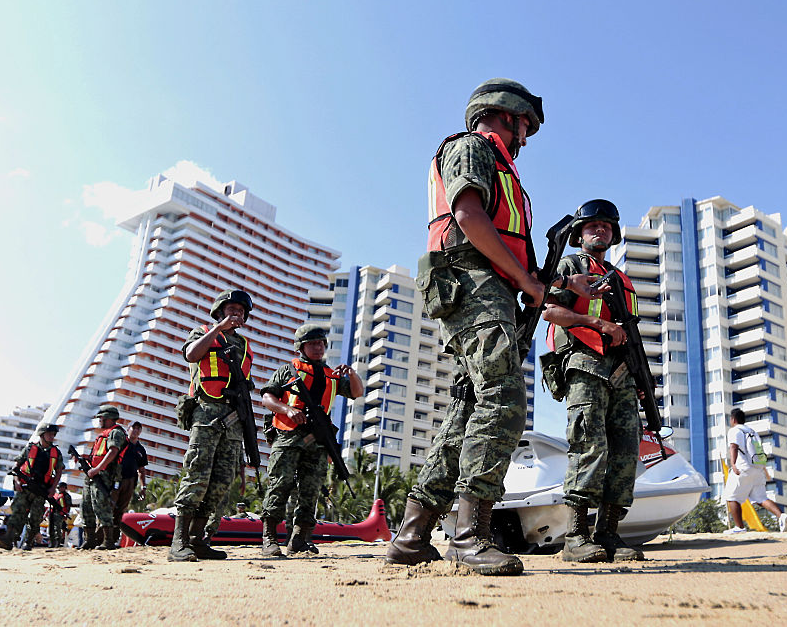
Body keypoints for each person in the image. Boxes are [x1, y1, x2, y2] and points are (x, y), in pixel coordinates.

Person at [386, 79, 603, 576]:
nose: (525, 137)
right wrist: (526, 279)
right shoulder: (470, 149)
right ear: (502, 114)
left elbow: (522, 270)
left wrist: (560, 291)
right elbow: (468, 215)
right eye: (524, 125)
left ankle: (412, 535)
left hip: (490, 288)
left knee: (468, 408)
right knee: (503, 397)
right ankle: (469, 536)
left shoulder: (503, 170)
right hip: (472, 282)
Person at [540, 199, 645, 563]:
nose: (600, 229)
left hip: (622, 373)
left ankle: (609, 533)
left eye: (606, 226)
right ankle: (576, 536)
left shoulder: (621, 278)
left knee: (626, 452)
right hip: (585, 364)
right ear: (579, 233)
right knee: (589, 445)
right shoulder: (570, 267)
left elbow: (630, 333)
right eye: (592, 225)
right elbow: (549, 310)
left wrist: (641, 380)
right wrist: (598, 324)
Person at [259, 324, 362, 557]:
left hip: (317, 440)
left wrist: (352, 374)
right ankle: (269, 538)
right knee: (279, 484)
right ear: (301, 347)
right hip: (288, 435)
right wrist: (286, 410)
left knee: (311, 489)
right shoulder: (289, 370)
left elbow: (357, 393)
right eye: (312, 344)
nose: (318, 348)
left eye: (321, 344)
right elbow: (267, 397)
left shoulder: (331, 375)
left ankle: (300, 539)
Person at [169, 289, 255, 562]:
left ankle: (198, 540)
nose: (238, 313)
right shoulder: (203, 332)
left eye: (242, 311)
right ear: (219, 310)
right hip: (207, 413)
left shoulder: (243, 344)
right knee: (197, 475)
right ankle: (178, 542)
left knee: (221, 481)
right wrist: (218, 328)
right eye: (233, 308)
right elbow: (192, 355)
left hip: (233, 420)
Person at [0, 424, 63, 551]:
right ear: (42, 434)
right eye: (49, 433)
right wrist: (17, 482)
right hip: (25, 487)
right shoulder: (29, 448)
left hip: (41, 489)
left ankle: (29, 542)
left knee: (35, 517)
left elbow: (59, 471)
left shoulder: (56, 452)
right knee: (17, 513)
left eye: (54, 434)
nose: (52, 436)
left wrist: (52, 488)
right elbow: (16, 467)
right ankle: (9, 540)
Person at [723, 408, 787, 533]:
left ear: (733, 419)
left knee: (731, 496)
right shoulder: (752, 431)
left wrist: (733, 464)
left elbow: (733, 446)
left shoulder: (734, 430)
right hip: (757, 469)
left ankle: (739, 527)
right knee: (761, 498)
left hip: (742, 468)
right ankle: (782, 515)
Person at [78, 405, 127, 550]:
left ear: (109, 418)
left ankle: (108, 541)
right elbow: (100, 454)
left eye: (102, 418)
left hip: (104, 475)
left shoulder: (116, 433)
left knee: (101, 506)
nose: (100, 420)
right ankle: (90, 540)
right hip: (93, 474)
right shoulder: (104, 434)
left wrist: (97, 469)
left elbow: (113, 451)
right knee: (86, 506)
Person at [112, 421, 149, 536]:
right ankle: (101, 537)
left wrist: (143, 487)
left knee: (121, 510)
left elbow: (142, 470)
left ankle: (113, 538)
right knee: (109, 507)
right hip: (116, 480)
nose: (136, 430)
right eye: (134, 427)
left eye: (139, 428)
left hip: (130, 482)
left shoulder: (141, 449)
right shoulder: (121, 443)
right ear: (128, 429)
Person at [49, 482, 73, 548]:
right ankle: (52, 542)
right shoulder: (55, 495)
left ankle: (58, 542)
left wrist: (66, 514)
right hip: (53, 513)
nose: (61, 488)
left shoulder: (67, 496)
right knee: (51, 529)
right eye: (60, 487)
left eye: (62, 487)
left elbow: (68, 506)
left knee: (58, 528)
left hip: (60, 513)